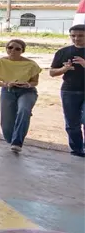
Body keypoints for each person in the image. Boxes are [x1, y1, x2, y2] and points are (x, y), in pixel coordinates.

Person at [0, 39, 41, 154]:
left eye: (17, 49)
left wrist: (28, 84)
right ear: (6, 49)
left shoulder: (31, 64)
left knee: (23, 110)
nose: (13, 50)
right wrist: (7, 84)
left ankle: (17, 142)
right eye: (10, 47)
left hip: (27, 91)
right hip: (8, 90)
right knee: (7, 123)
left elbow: (35, 82)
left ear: (22, 51)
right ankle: (11, 139)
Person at [50, 24, 85, 156]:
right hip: (69, 91)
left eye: (80, 35)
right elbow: (52, 72)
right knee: (72, 122)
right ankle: (77, 149)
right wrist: (63, 69)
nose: (76, 38)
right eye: (73, 36)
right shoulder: (63, 52)